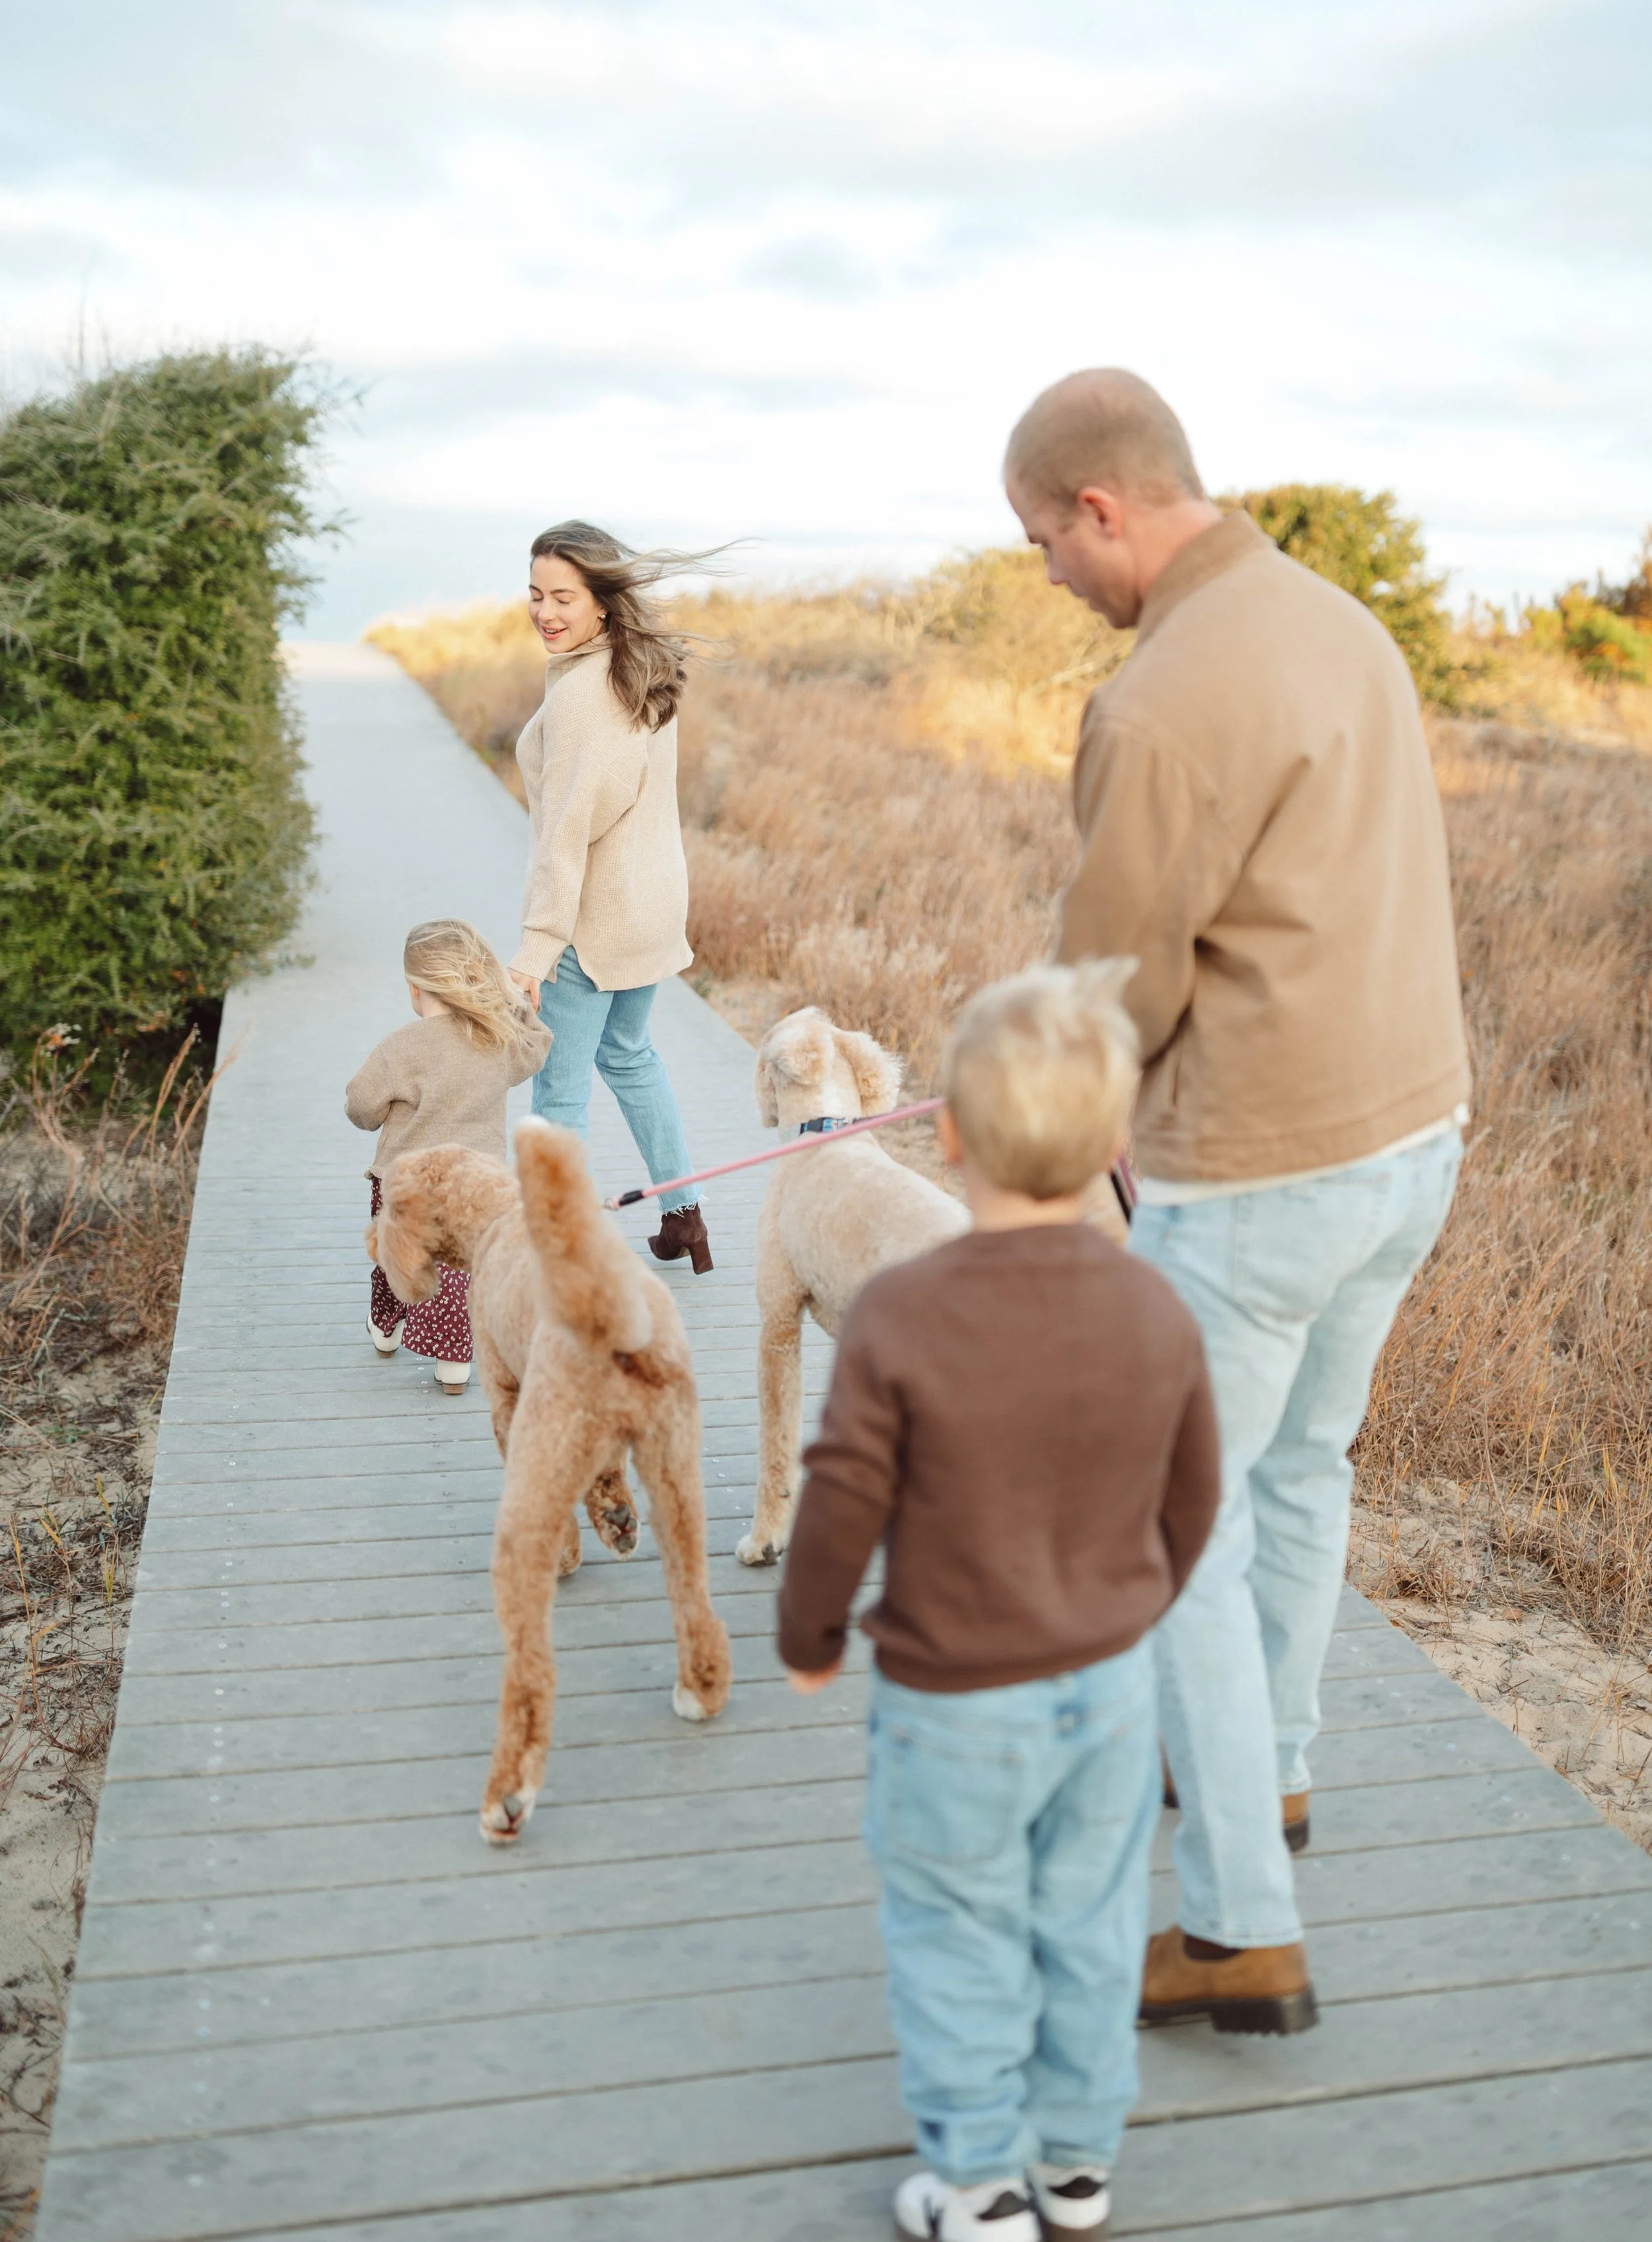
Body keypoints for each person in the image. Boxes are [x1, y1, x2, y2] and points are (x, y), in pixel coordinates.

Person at [1003, 367, 1470, 2034]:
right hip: (1417, 1133)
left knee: (1172, 1530)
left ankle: (1237, 1932)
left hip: (1270, 1173)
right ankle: (1267, 1775)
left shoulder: (1161, 699)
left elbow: (1116, 989)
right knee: (1296, 1470)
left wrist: (1014, 1071)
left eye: (1044, 538)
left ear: (1103, 508)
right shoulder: (1339, 619)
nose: (1047, 570)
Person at [778, 964, 1220, 2242]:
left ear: (950, 1133)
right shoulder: (1156, 1302)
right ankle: (1077, 2166)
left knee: (955, 1922)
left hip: (953, 1695)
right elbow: (1194, 1495)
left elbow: (844, 1490)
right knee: (1087, 1920)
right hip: (1109, 1686)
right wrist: (1131, 1605)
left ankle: (975, 2181)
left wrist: (809, 1635)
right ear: (1113, 1144)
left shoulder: (907, 1309)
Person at [504, 521, 713, 1274]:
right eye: (534, 594)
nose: (545, 611)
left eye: (563, 596)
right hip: (649, 908)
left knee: (558, 1094)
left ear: (601, 601)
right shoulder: (640, 667)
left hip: (593, 924)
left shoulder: (587, 695)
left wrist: (536, 947)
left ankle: (561, 1260)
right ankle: (683, 1215)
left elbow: (566, 835)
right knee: (629, 1057)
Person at [346, 917, 548, 1393]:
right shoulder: (494, 1038)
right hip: (475, 1184)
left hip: (405, 1183)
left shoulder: (400, 1048)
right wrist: (516, 1003)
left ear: (416, 989)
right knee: (460, 1269)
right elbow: (537, 1048)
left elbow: (361, 1106)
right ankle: (454, 1363)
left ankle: (387, 1327)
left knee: (397, 1257)